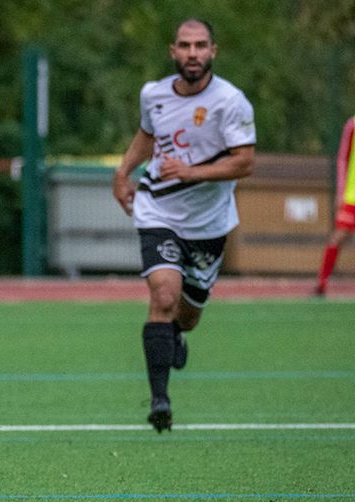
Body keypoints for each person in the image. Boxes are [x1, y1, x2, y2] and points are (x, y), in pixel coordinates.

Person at [111, 19, 256, 433]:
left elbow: (244, 161)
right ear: (172, 50)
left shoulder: (231, 102)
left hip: (209, 224)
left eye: (201, 45)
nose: (193, 53)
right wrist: (123, 172)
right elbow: (146, 136)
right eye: (185, 45)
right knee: (163, 293)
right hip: (157, 210)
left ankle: (175, 332)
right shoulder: (153, 95)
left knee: (187, 315)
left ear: (214, 51)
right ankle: (160, 400)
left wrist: (190, 172)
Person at [315, 116, 355, 296]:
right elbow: (343, 159)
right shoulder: (352, 125)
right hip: (352, 195)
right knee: (338, 237)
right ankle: (322, 282)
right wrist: (340, 192)